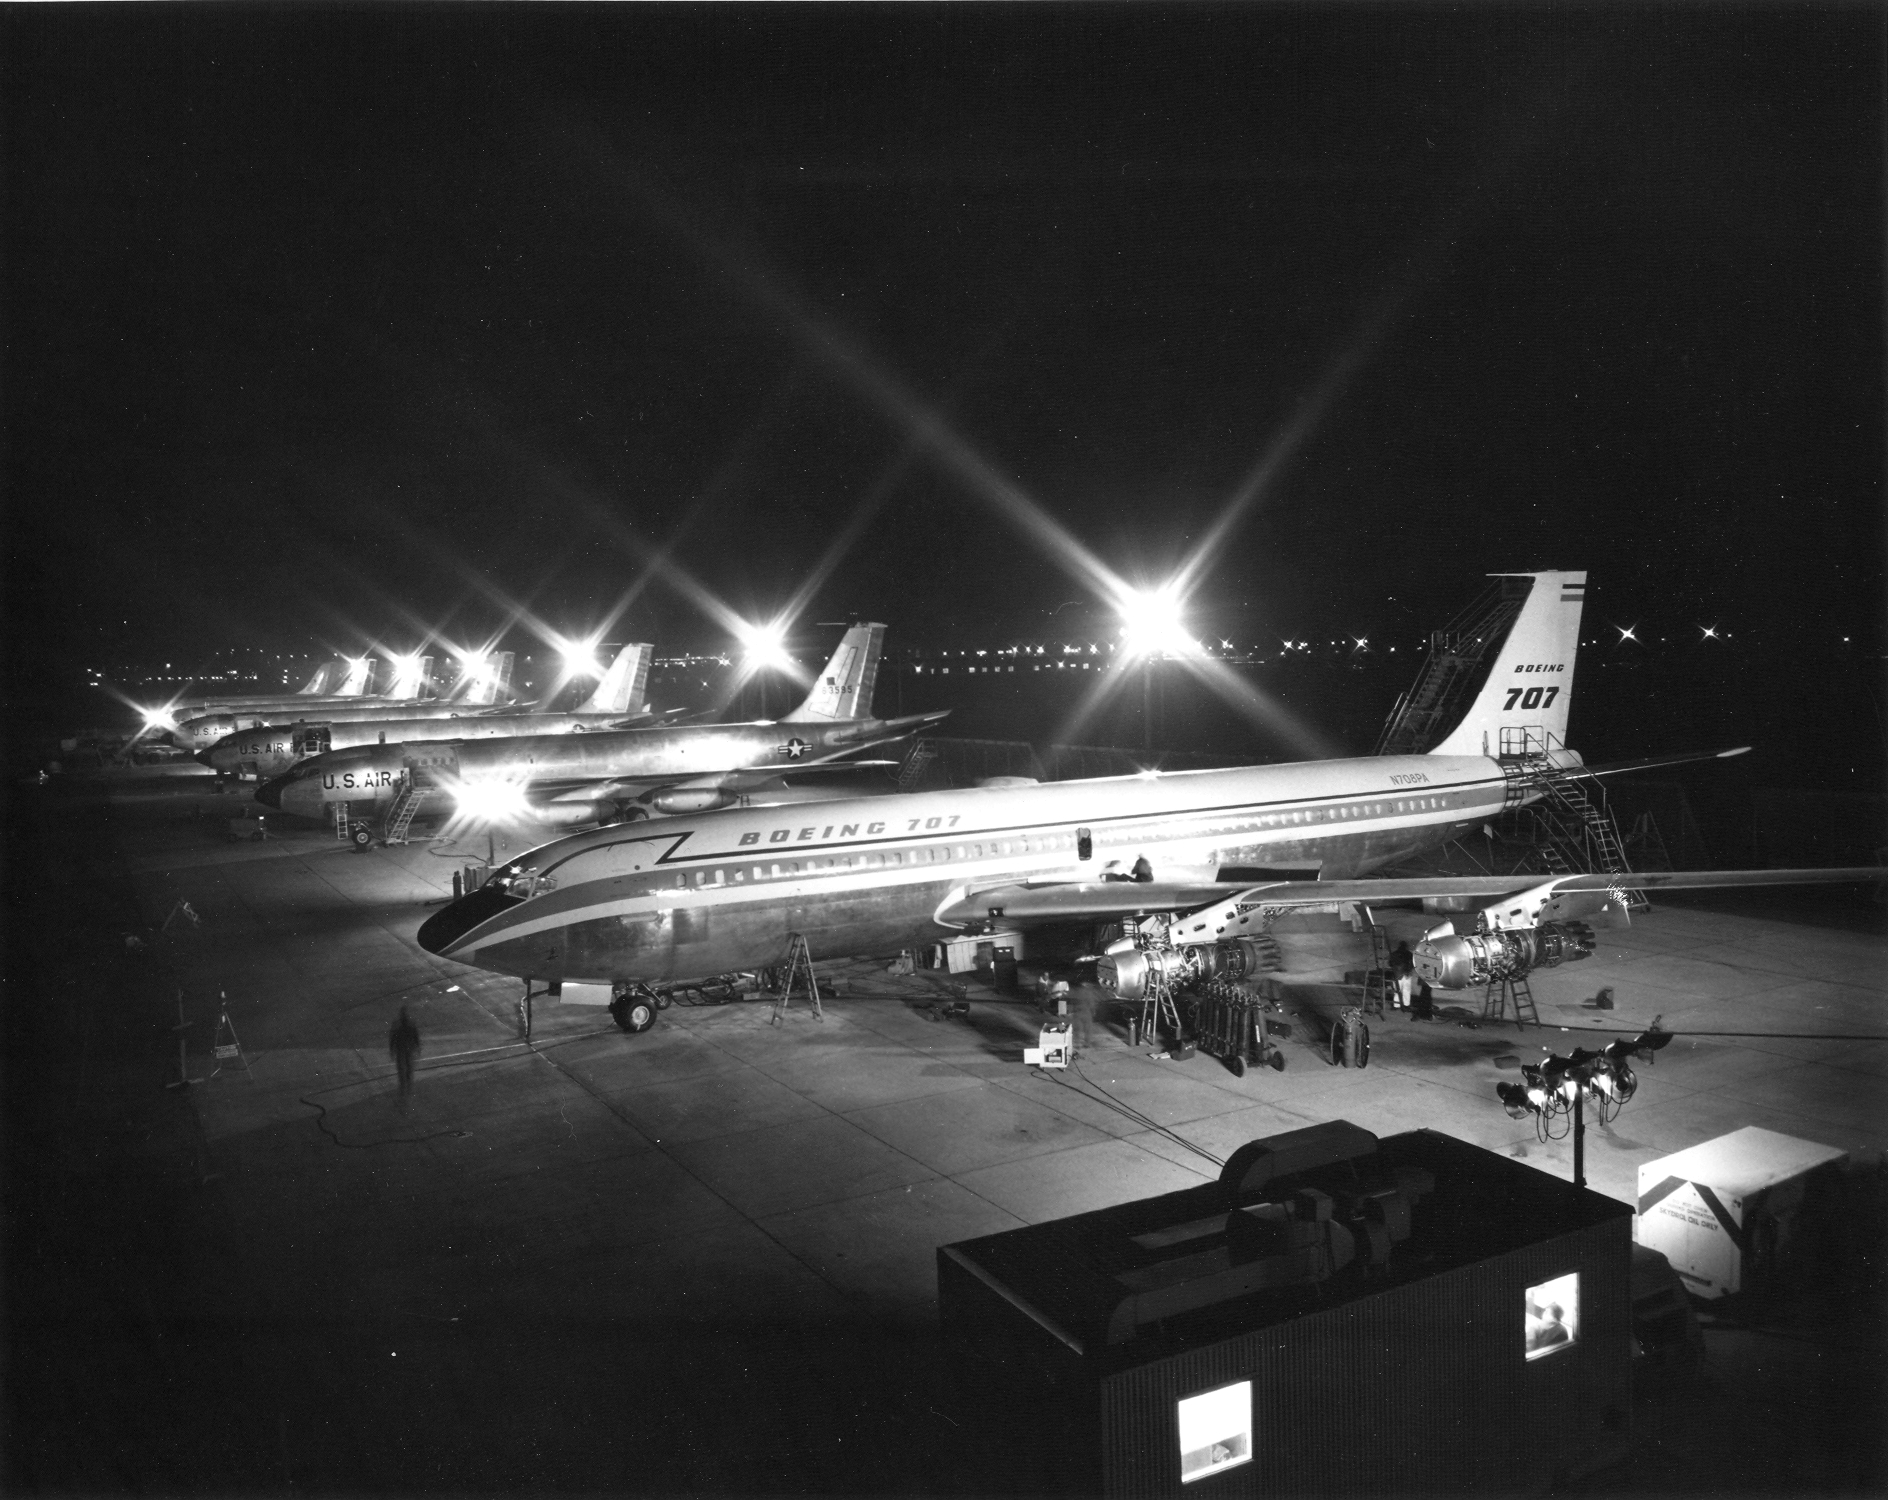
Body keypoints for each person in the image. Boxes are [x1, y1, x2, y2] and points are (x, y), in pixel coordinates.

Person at [389, 1006, 421, 1102]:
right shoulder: (410, 1024)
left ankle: (404, 1086)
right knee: (408, 1067)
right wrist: (417, 1047)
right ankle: (408, 1085)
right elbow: (416, 1036)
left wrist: (392, 1050)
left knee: (401, 1068)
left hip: (401, 1049)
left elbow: (393, 1038)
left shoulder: (397, 1025)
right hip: (408, 1048)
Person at [1387, 941, 1415, 1010]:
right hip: (1407, 974)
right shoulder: (1409, 954)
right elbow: (1413, 964)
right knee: (1406, 990)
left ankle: (1396, 1005)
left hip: (1397, 974)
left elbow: (1390, 964)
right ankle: (1406, 1005)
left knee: (1397, 990)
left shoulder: (1394, 954)